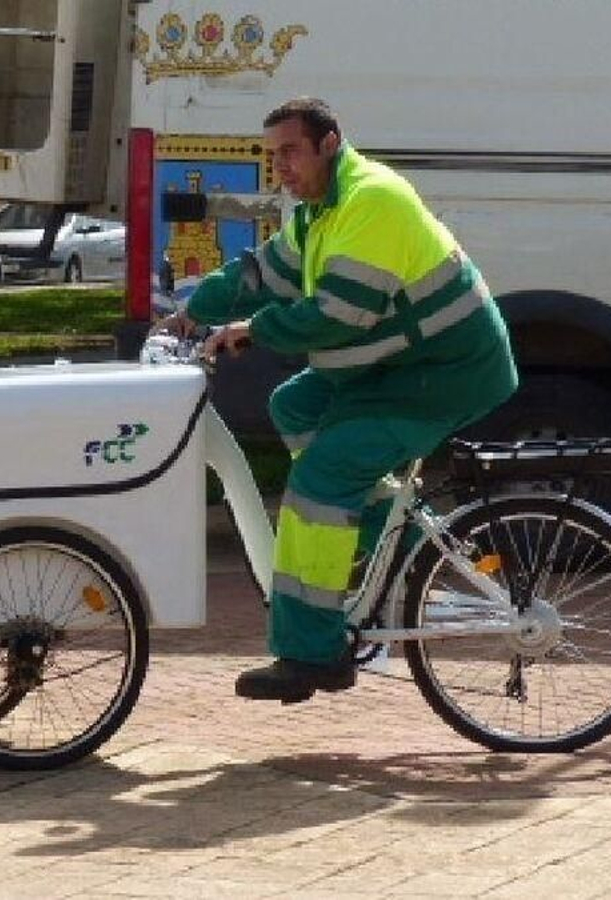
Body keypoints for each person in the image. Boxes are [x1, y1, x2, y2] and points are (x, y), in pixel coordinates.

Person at [157, 97, 519, 703]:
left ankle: (312, 654)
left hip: (442, 373)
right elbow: (261, 272)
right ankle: (390, 543)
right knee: (293, 407)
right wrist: (188, 314)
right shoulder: (316, 213)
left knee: (321, 481)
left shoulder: (370, 201)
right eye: (273, 157)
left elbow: (341, 313)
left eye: (291, 152)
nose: (281, 169)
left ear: (330, 144)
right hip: (393, 366)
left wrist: (253, 330)